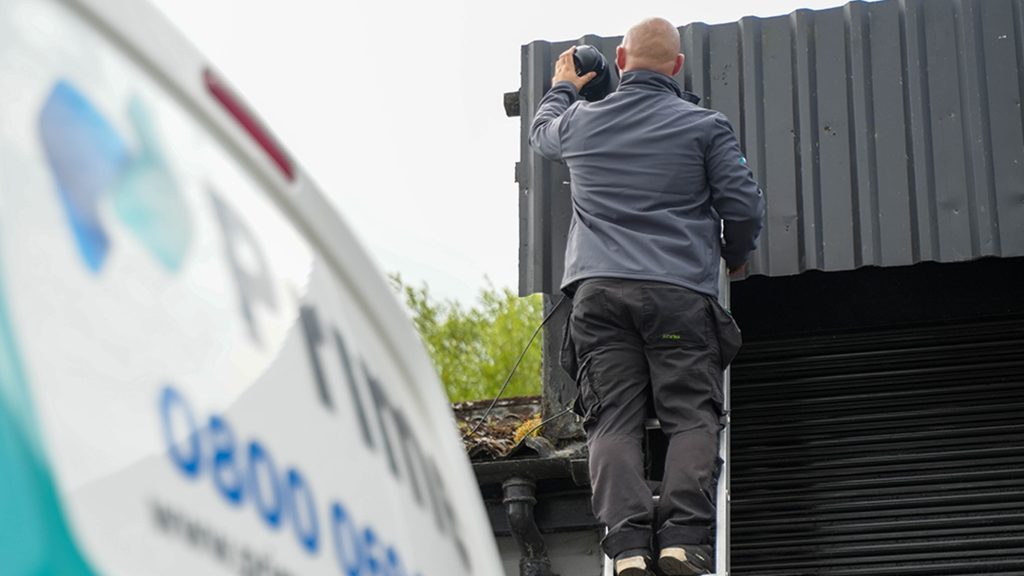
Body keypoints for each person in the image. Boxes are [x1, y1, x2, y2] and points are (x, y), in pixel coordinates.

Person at [528, 17, 765, 576]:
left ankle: (628, 545)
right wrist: (736, 250)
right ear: (677, 67)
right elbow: (745, 206)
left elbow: (541, 132)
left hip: (599, 298)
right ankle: (682, 539)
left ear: (620, 58)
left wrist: (566, 82)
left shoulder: (580, 121)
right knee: (689, 418)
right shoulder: (705, 127)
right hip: (679, 297)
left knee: (611, 423)